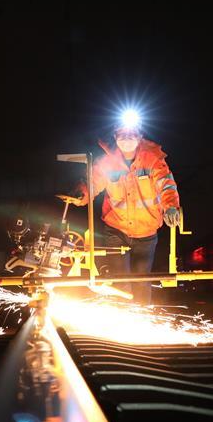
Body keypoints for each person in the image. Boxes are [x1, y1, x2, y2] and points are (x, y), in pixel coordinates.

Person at [66, 111, 180, 304]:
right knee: (120, 282)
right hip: (116, 230)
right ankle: (122, 320)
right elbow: (93, 181)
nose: (127, 139)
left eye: (131, 134)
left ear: (139, 136)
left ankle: (142, 319)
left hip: (146, 233)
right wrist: (82, 194)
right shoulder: (107, 162)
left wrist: (171, 206)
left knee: (142, 282)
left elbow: (166, 184)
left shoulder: (152, 159)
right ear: (115, 137)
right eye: (122, 135)